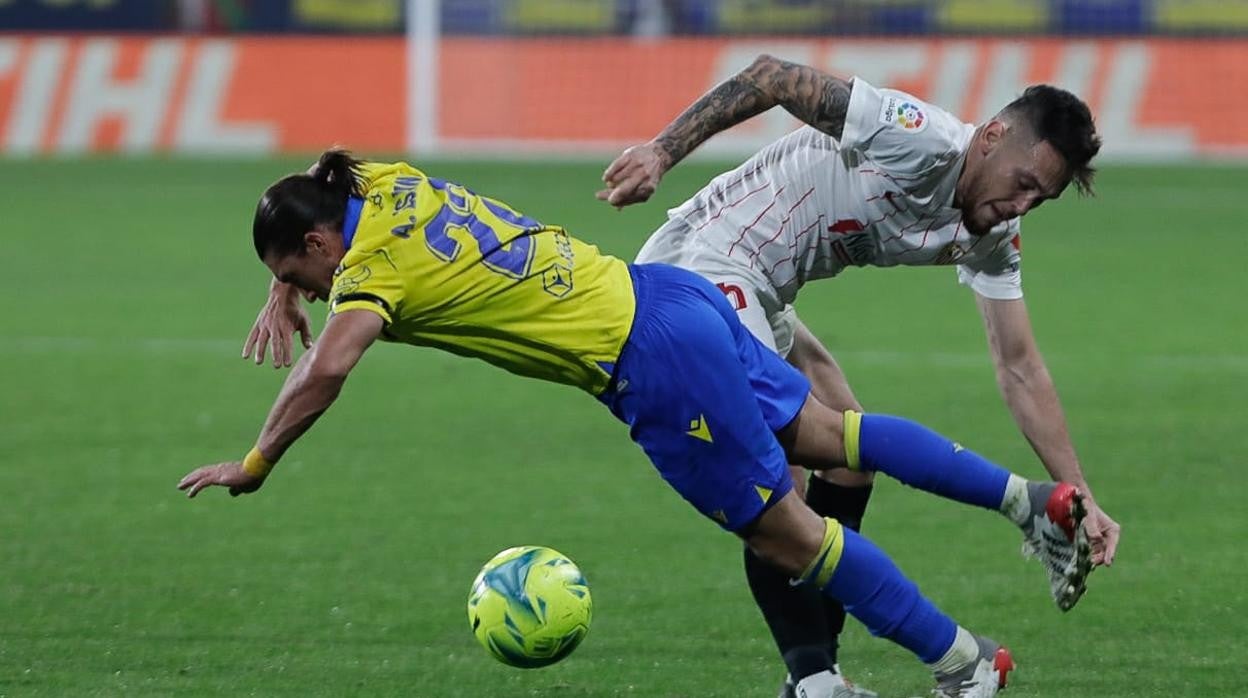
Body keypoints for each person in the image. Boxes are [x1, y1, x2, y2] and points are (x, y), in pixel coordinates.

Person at [183, 151, 1092, 697]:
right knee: (832, 438)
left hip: (649, 367)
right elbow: (320, 174)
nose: (311, 294)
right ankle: (1031, 500)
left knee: (793, 538)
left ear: (321, 245)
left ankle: (965, 664)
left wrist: (257, 460)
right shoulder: (373, 183)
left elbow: (329, 367)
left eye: (304, 276)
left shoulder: (370, 267)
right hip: (669, 294)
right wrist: (281, 274)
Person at [593, 55, 1121, 698]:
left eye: (1042, 198)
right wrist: (660, 152)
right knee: (780, 474)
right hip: (706, 263)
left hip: (767, 292)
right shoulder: (917, 136)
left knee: (847, 464)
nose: (1023, 205)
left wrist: (1081, 491)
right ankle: (846, 675)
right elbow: (770, 76)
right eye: (1023, 183)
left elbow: (1019, 365)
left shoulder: (994, 230)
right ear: (990, 138)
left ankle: (817, 676)